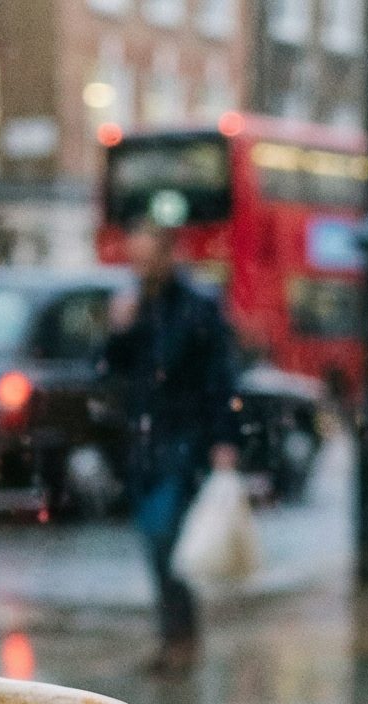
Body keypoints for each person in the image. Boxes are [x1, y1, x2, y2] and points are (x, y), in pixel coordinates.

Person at [104, 221, 241, 674]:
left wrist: (224, 439)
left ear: (168, 256)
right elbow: (111, 373)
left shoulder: (198, 308)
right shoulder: (136, 306)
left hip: (186, 441)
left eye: (146, 259)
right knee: (154, 544)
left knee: (167, 539)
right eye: (134, 261)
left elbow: (220, 377)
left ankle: (181, 638)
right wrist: (118, 331)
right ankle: (173, 636)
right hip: (144, 443)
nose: (138, 270)